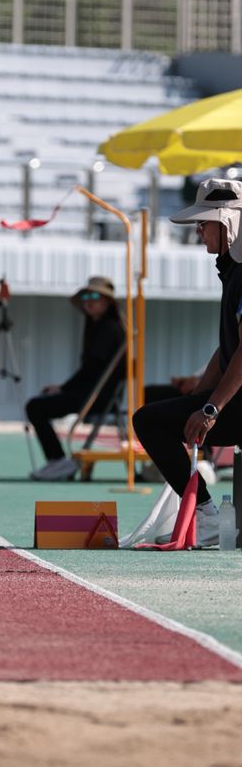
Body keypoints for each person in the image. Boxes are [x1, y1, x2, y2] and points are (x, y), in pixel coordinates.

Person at [133, 178, 242, 546]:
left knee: (148, 420)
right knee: (167, 416)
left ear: (227, 223)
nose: (198, 231)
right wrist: (199, 394)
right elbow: (228, 348)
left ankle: (207, 516)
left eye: (203, 222)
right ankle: (209, 517)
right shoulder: (232, 270)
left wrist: (209, 408)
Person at [26, 276, 126, 481]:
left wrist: (63, 388)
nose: (88, 300)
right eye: (86, 296)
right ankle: (57, 460)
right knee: (39, 404)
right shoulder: (97, 326)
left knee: (35, 407)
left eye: (95, 296)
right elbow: (90, 370)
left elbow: (92, 370)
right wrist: (65, 388)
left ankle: (58, 460)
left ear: (106, 301)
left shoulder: (109, 329)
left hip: (98, 397)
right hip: (91, 393)